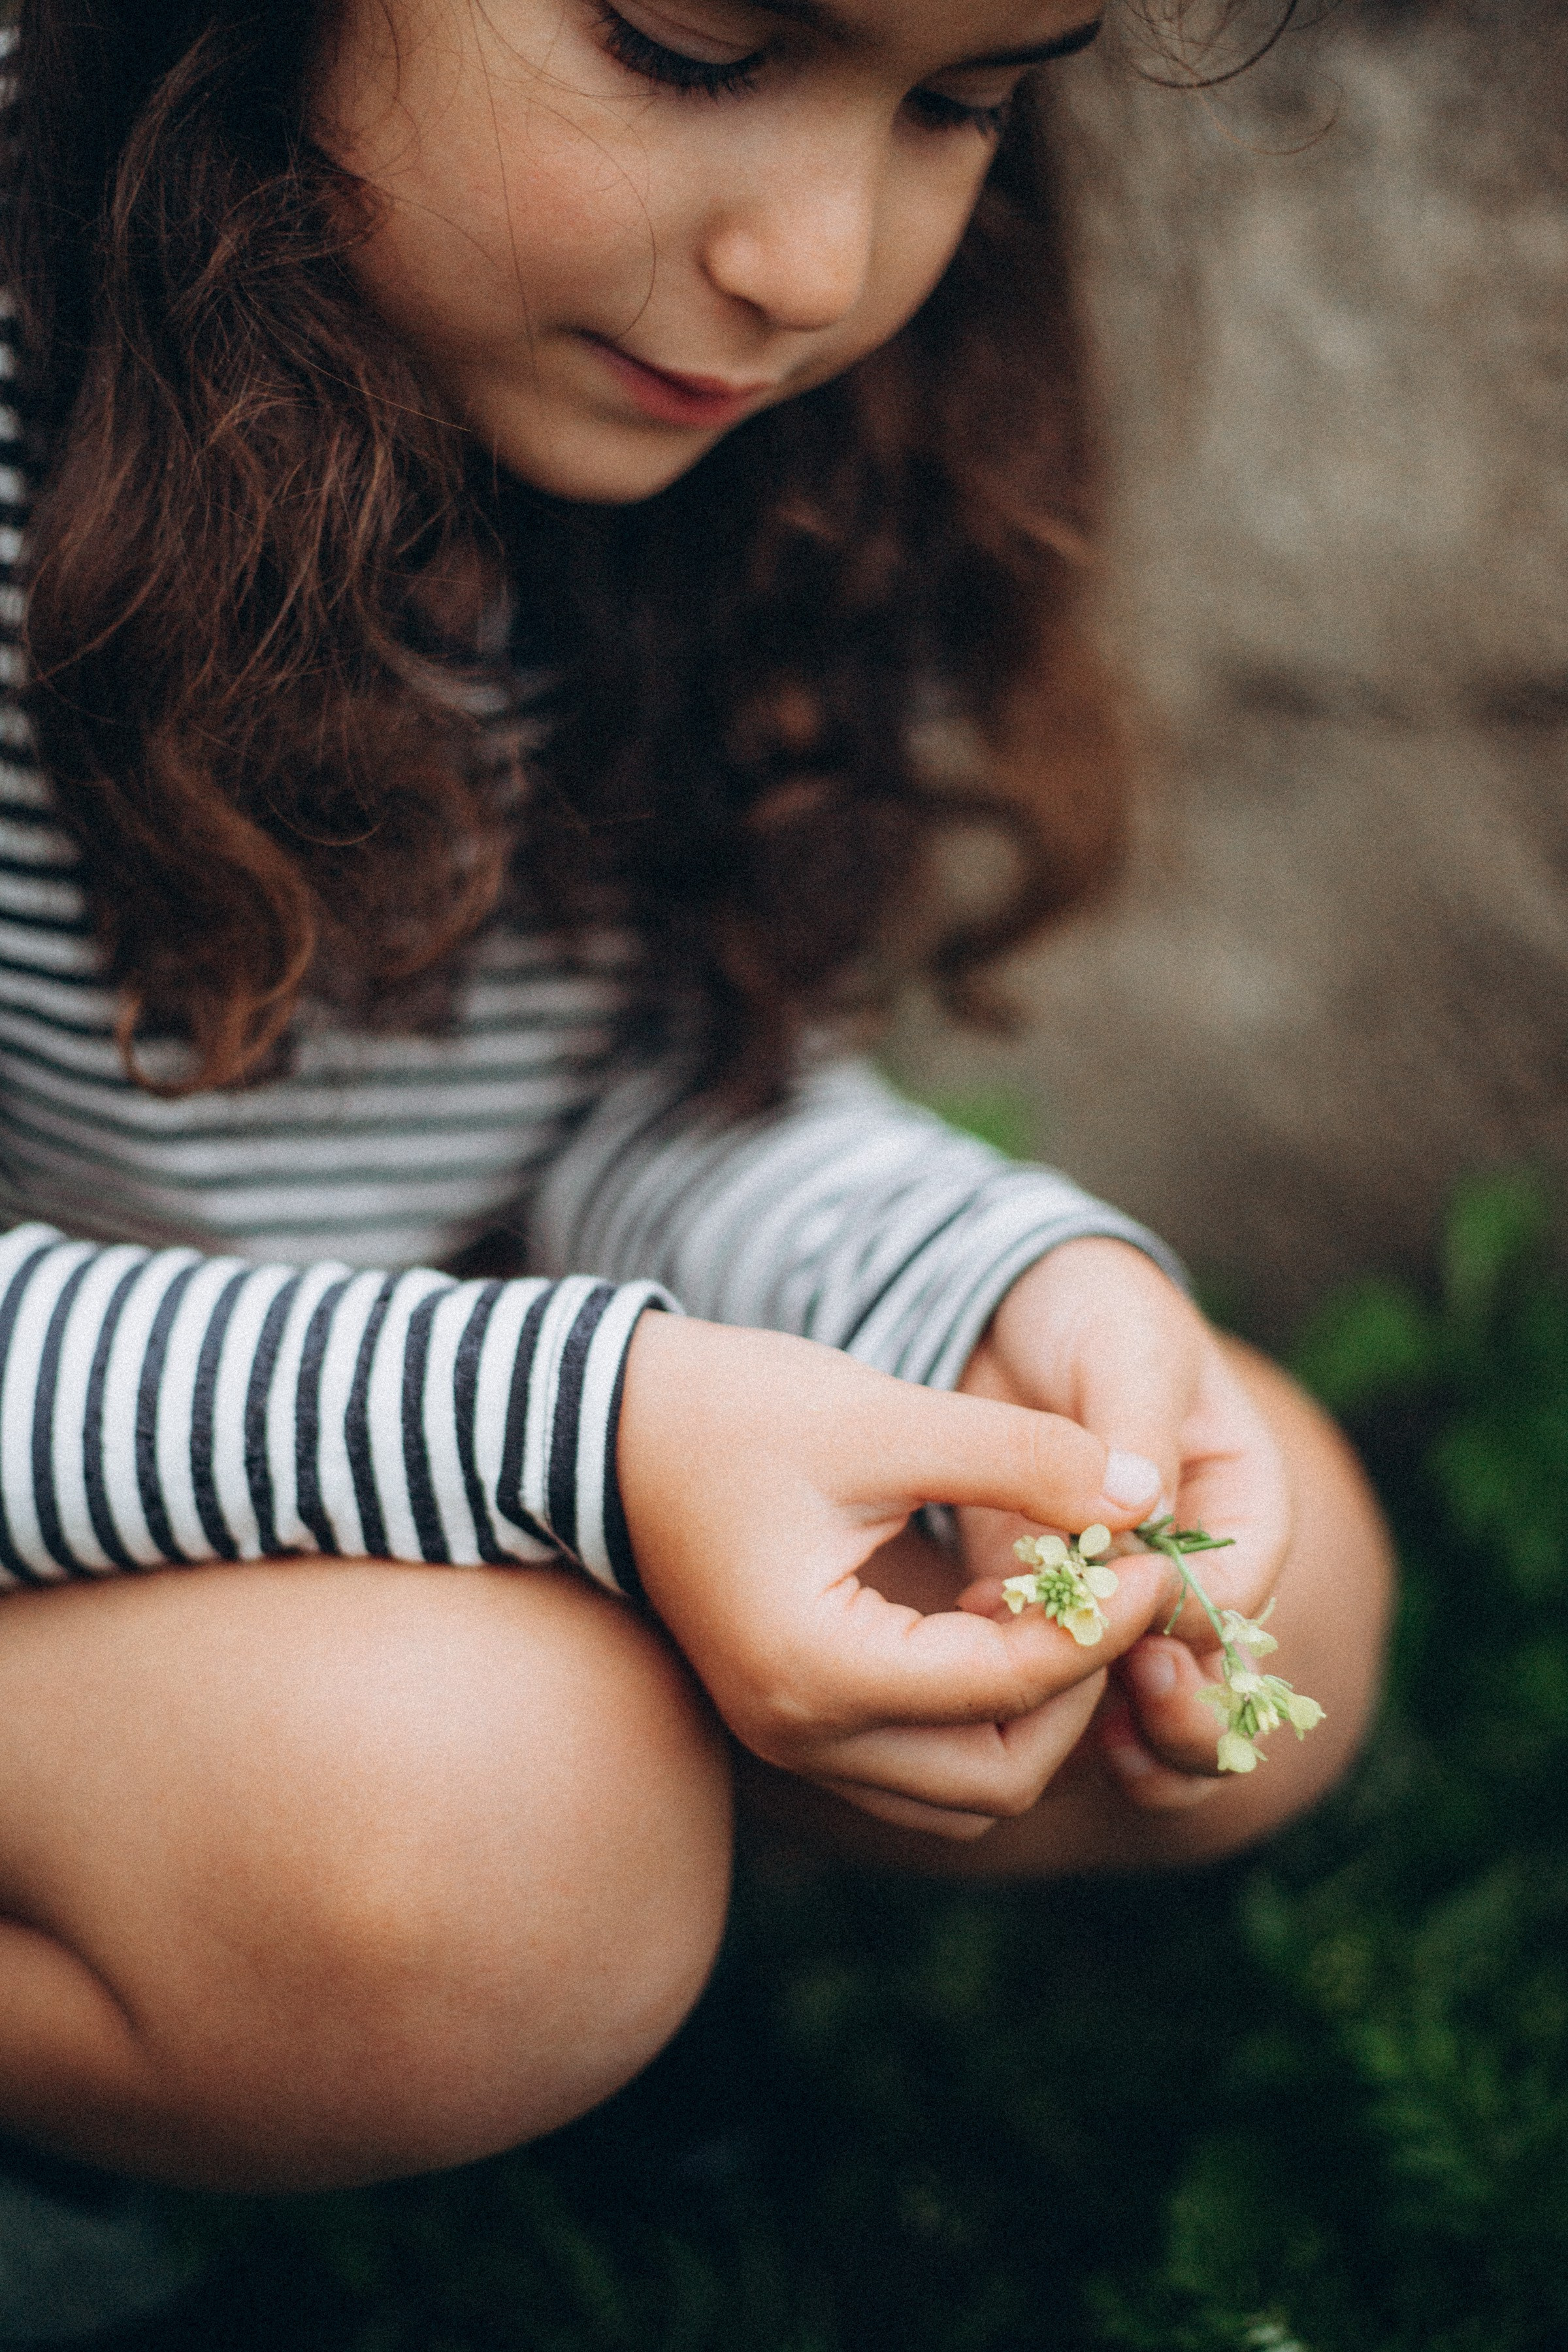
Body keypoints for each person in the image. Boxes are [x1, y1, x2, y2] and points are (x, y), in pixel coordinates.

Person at [0, 0, 1389, 2204]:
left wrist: (986, 1289)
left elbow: (648, 1085)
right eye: (687, 47)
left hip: (300, 1476)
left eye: (957, 106)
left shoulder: (733, 455)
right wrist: (589, 1432)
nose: (815, 265)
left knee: (1259, 1568)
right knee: (504, 1845)